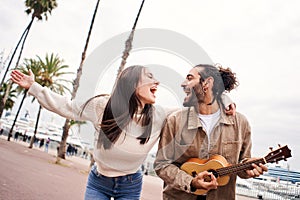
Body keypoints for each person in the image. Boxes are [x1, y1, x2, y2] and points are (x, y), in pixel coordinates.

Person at [11, 65, 235, 200]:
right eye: (149, 77)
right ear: (131, 83)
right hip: (98, 181)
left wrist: (224, 99)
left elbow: (200, 106)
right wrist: (34, 87)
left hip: (130, 184)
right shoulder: (103, 106)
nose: (156, 81)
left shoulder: (159, 114)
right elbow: (66, 106)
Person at [154, 64, 268, 200]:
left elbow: (242, 164)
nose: (183, 84)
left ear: (207, 83)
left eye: (190, 78)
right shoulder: (174, 121)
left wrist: (249, 167)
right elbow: (162, 165)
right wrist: (190, 182)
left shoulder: (241, 123)